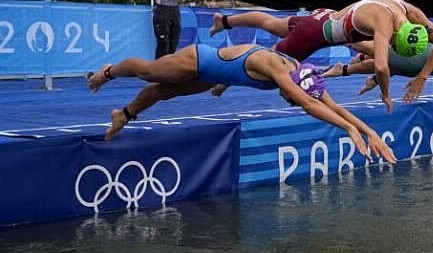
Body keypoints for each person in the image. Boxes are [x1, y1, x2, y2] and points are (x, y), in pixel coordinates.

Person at [85, 44, 396, 164]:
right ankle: (108, 72)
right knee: (149, 72)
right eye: (290, 99)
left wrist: (368, 131)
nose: (287, 101)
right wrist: (348, 131)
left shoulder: (304, 73)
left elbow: (330, 105)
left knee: (163, 92)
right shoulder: (280, 70)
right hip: (199, 58)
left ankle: (123, 115)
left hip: (215, 74)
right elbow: (308, 105)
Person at [208, 0, 433, 111]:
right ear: (397, 37)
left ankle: (225, 21)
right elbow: (382, 67)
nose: (391, 47)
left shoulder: (411, 13)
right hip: (313, 36)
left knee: (274, 24)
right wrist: (386, 94)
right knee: (268, 62)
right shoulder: (384, 27)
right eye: (394, 47)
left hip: (322, 15)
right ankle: (224, 80)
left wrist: (422, 77)